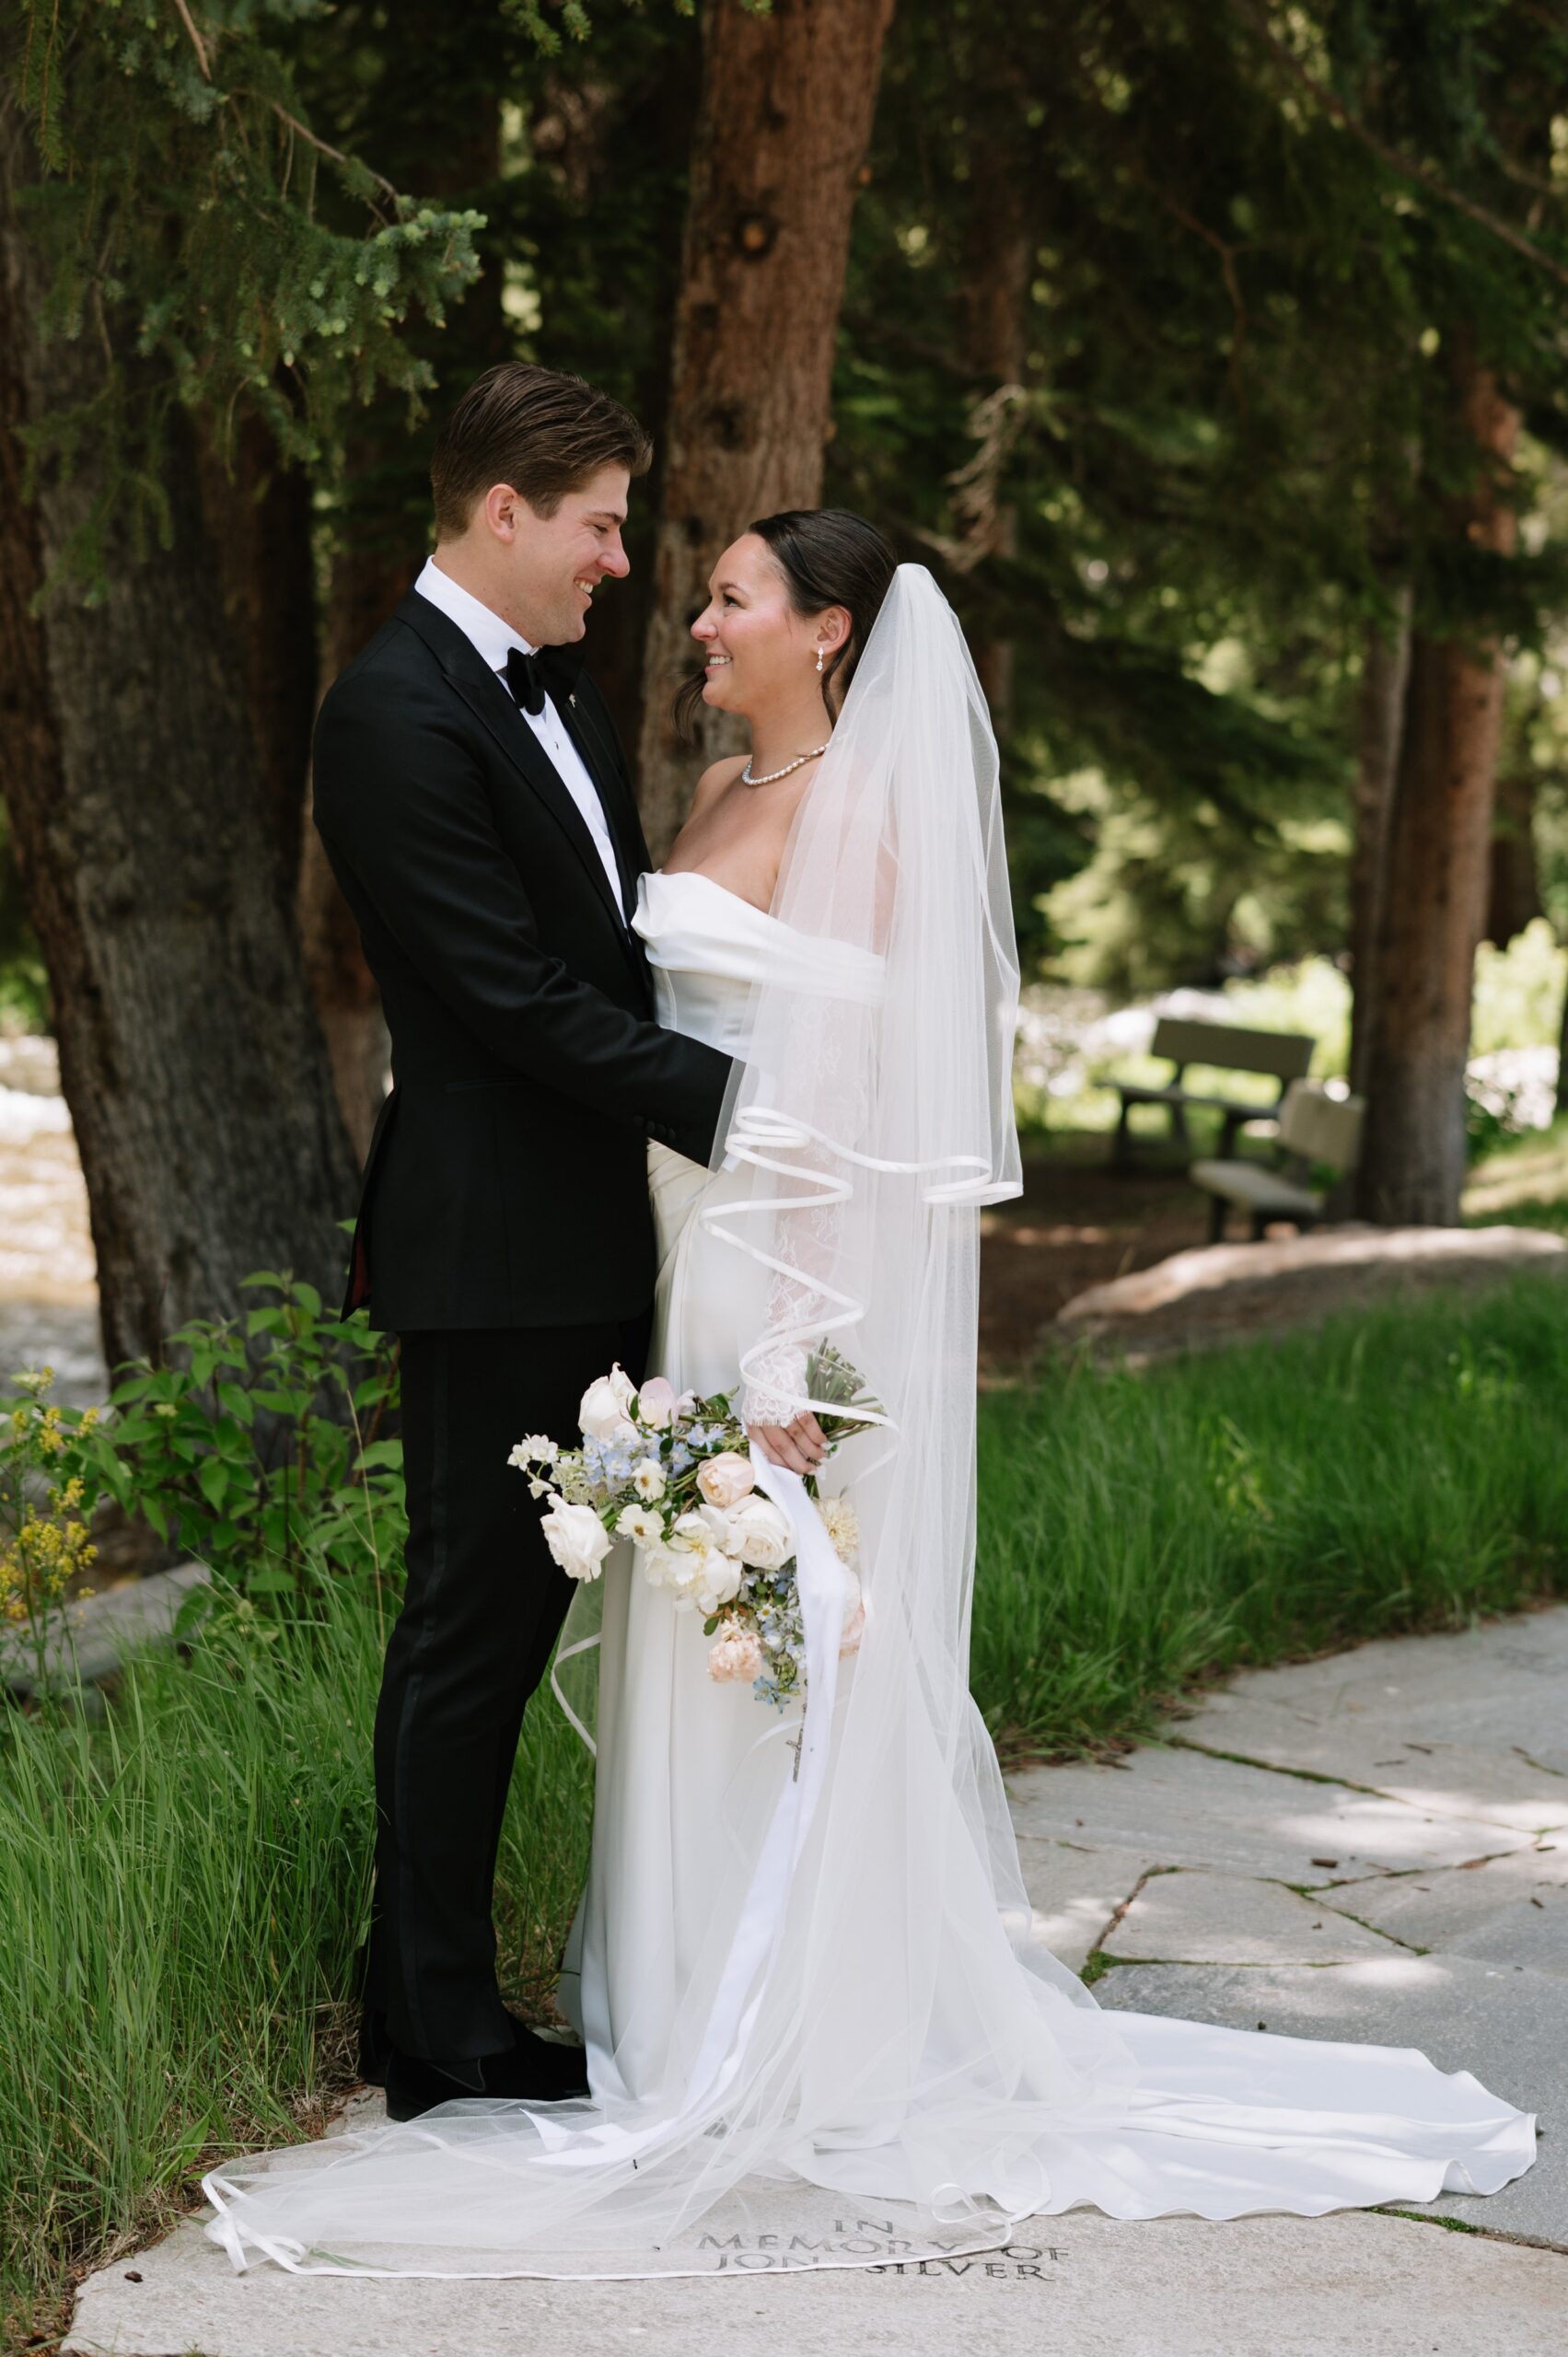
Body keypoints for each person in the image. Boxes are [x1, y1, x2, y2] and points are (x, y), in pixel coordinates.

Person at [206, 509, 1534, 2278]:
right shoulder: (698, 797)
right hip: (667, 1267)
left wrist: (792, 1360)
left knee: (776, 1627)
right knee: (695, 1636)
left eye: (732, 595)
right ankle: (666, 2006)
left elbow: (870, 1103)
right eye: (688, 584)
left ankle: (796, 2029)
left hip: (775, 1283)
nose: (692, 616)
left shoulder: (869, 816)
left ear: (829, 631)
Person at [307, 363, 734, 2123]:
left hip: (581, 1234)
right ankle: (436, 2033)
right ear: (503, 512)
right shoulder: (392, 710)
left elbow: (607, 956)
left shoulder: (550, 691)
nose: (619, 561)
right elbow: (504, 993)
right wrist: (738, 1100)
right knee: (469, 1627)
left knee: (496, 1620)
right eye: (599, 524)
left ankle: (420, 1986)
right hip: (488, 1244)